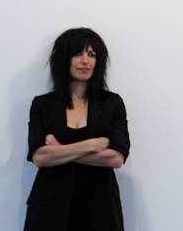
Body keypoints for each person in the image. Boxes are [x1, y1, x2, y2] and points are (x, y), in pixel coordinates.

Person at [24, 27, 130, 231]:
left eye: (92, 54)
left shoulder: (112, 103)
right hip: (49, 207)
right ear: (63, 58)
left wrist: (59, 150)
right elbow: (40, 158)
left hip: (100, 207)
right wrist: (92, 145)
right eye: (77, 53)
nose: (85, 61)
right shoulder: (43, 105)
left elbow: (116, 158)